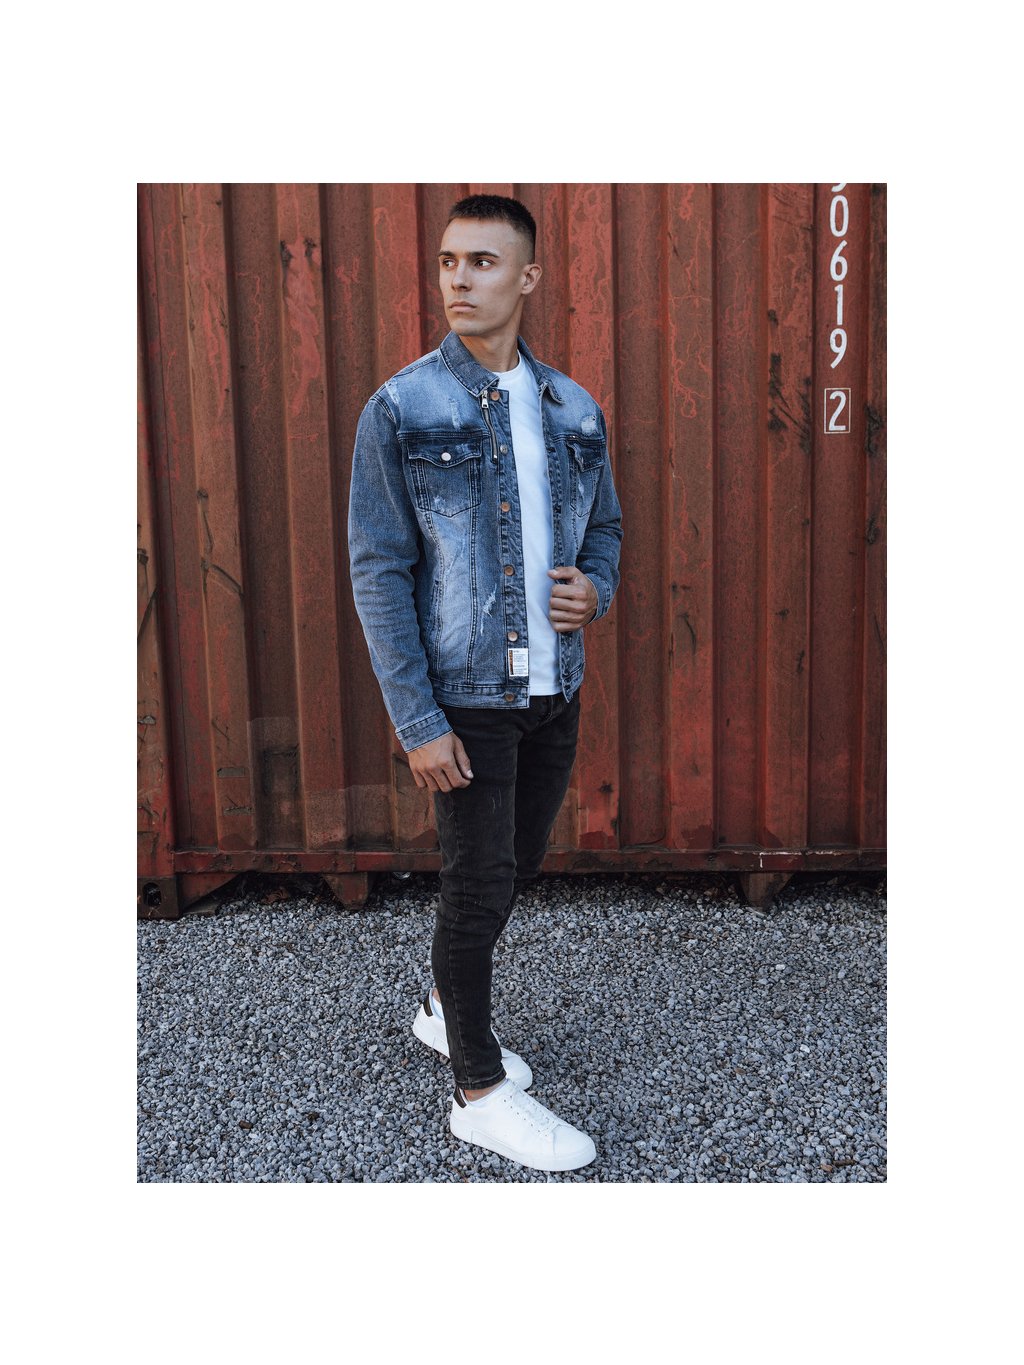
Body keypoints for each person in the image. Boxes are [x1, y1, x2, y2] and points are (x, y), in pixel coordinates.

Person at [348, 194, 623, 1173]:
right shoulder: (403, 408)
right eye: (447, 261)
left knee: (516, 865)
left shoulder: (573, 408)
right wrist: (417, 720)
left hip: (554, 688)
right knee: (473, 892)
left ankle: (440, 1007)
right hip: (466, 697)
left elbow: (604, 528)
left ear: (528, 277)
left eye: (482, 262)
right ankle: (478, 1092)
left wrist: (596, 588)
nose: (458, 279)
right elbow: (378, 569)